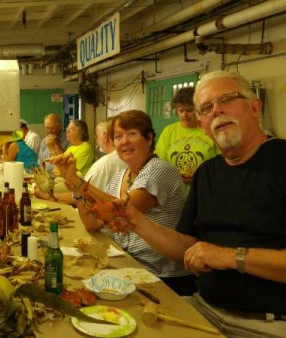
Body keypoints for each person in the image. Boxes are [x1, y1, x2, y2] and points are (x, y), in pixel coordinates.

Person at [102, 72, 286, 338]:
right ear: (202, 124)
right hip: (204, 309)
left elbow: (218, 254)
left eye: (227, 100)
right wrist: (136, 220)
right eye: (207, 108)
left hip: (266, 324)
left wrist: (229, 256)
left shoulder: (280, 160)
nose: (217, 110)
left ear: (254, 107)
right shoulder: (207, 173)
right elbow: (187, 248)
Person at [53, 110, 195, 296]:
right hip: (128, 265)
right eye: (118, 136)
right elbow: (92, 223)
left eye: (132, 134)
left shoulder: (160, 170)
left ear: (149, 138)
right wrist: (74, 184)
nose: (124, 141)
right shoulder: (121, 176)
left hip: (161, 276)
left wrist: (80, 184)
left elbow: (121, 210)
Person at [156, 87, 218, 185]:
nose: (184, 115)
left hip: (204, 189)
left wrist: (200, 177)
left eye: (189, 111)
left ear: (198, 109)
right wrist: (175, 176)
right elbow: (159, 164)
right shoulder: (169, 131)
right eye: (181, 111)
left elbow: (221, 164)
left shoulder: (210, 130)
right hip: (175, 191)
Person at [84, 119, 127, 190]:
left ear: (105, 137)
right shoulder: (132, 159)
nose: (97, 141)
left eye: (97, 136)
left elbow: (84, 195)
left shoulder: (102, 164)